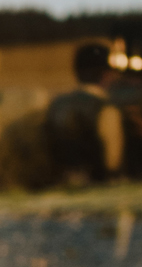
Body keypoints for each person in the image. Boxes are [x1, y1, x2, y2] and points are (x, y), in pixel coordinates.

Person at [44, 42, 125, 185]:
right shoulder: (106, 109)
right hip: (97, 186)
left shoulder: (57, 104)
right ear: (106, 74)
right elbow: (112, 160)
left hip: (61, 184)